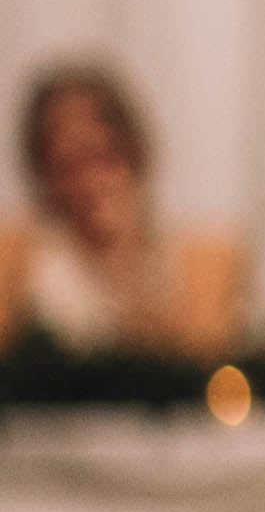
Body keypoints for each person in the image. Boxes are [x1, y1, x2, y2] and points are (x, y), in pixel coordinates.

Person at [4, 60, 241, 360]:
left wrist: (124, 265)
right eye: (68, 167)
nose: (89, 182)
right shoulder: (19, 253)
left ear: (133, 152)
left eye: (102, 158)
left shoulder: (203, 252)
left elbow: (204, 361)